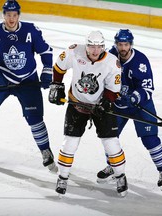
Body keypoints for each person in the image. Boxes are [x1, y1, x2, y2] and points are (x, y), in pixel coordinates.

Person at [0, 0, 57, 172]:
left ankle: (45, 151)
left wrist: (47, 71)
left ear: (19, 15)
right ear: (3, 15)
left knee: (35, 118)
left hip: (28, 80)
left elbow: (46, 51)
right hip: (1, 77)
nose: (11, 18)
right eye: (8, 15)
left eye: (14, 15)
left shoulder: (30, 30)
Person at [49, 30, 128, 196]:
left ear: (103, 47)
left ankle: (120, 175)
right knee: (70, 142)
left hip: (101, 106)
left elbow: (113, 90)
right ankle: (62, 177)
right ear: (87, 45)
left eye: (99, 47)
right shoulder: (74, 51)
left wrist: (105, 102)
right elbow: (58, 67)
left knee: (111, 142)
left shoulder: (112, 62)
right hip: (77, 103)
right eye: (91, 46)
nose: (95, 50)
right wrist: (57, 85)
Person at [96, 29, 162, 191]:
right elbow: (101, 76)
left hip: (141, 106)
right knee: (110, 136)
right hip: (118, 104)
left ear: (131, 44)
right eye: (120, 44)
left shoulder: (140, 61)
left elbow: (148, 87)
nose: (122, 48)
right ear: (115, 44)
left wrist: (136, 96)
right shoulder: (110, 56)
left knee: (150, 139)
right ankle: (112, 166)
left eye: (126, 44)